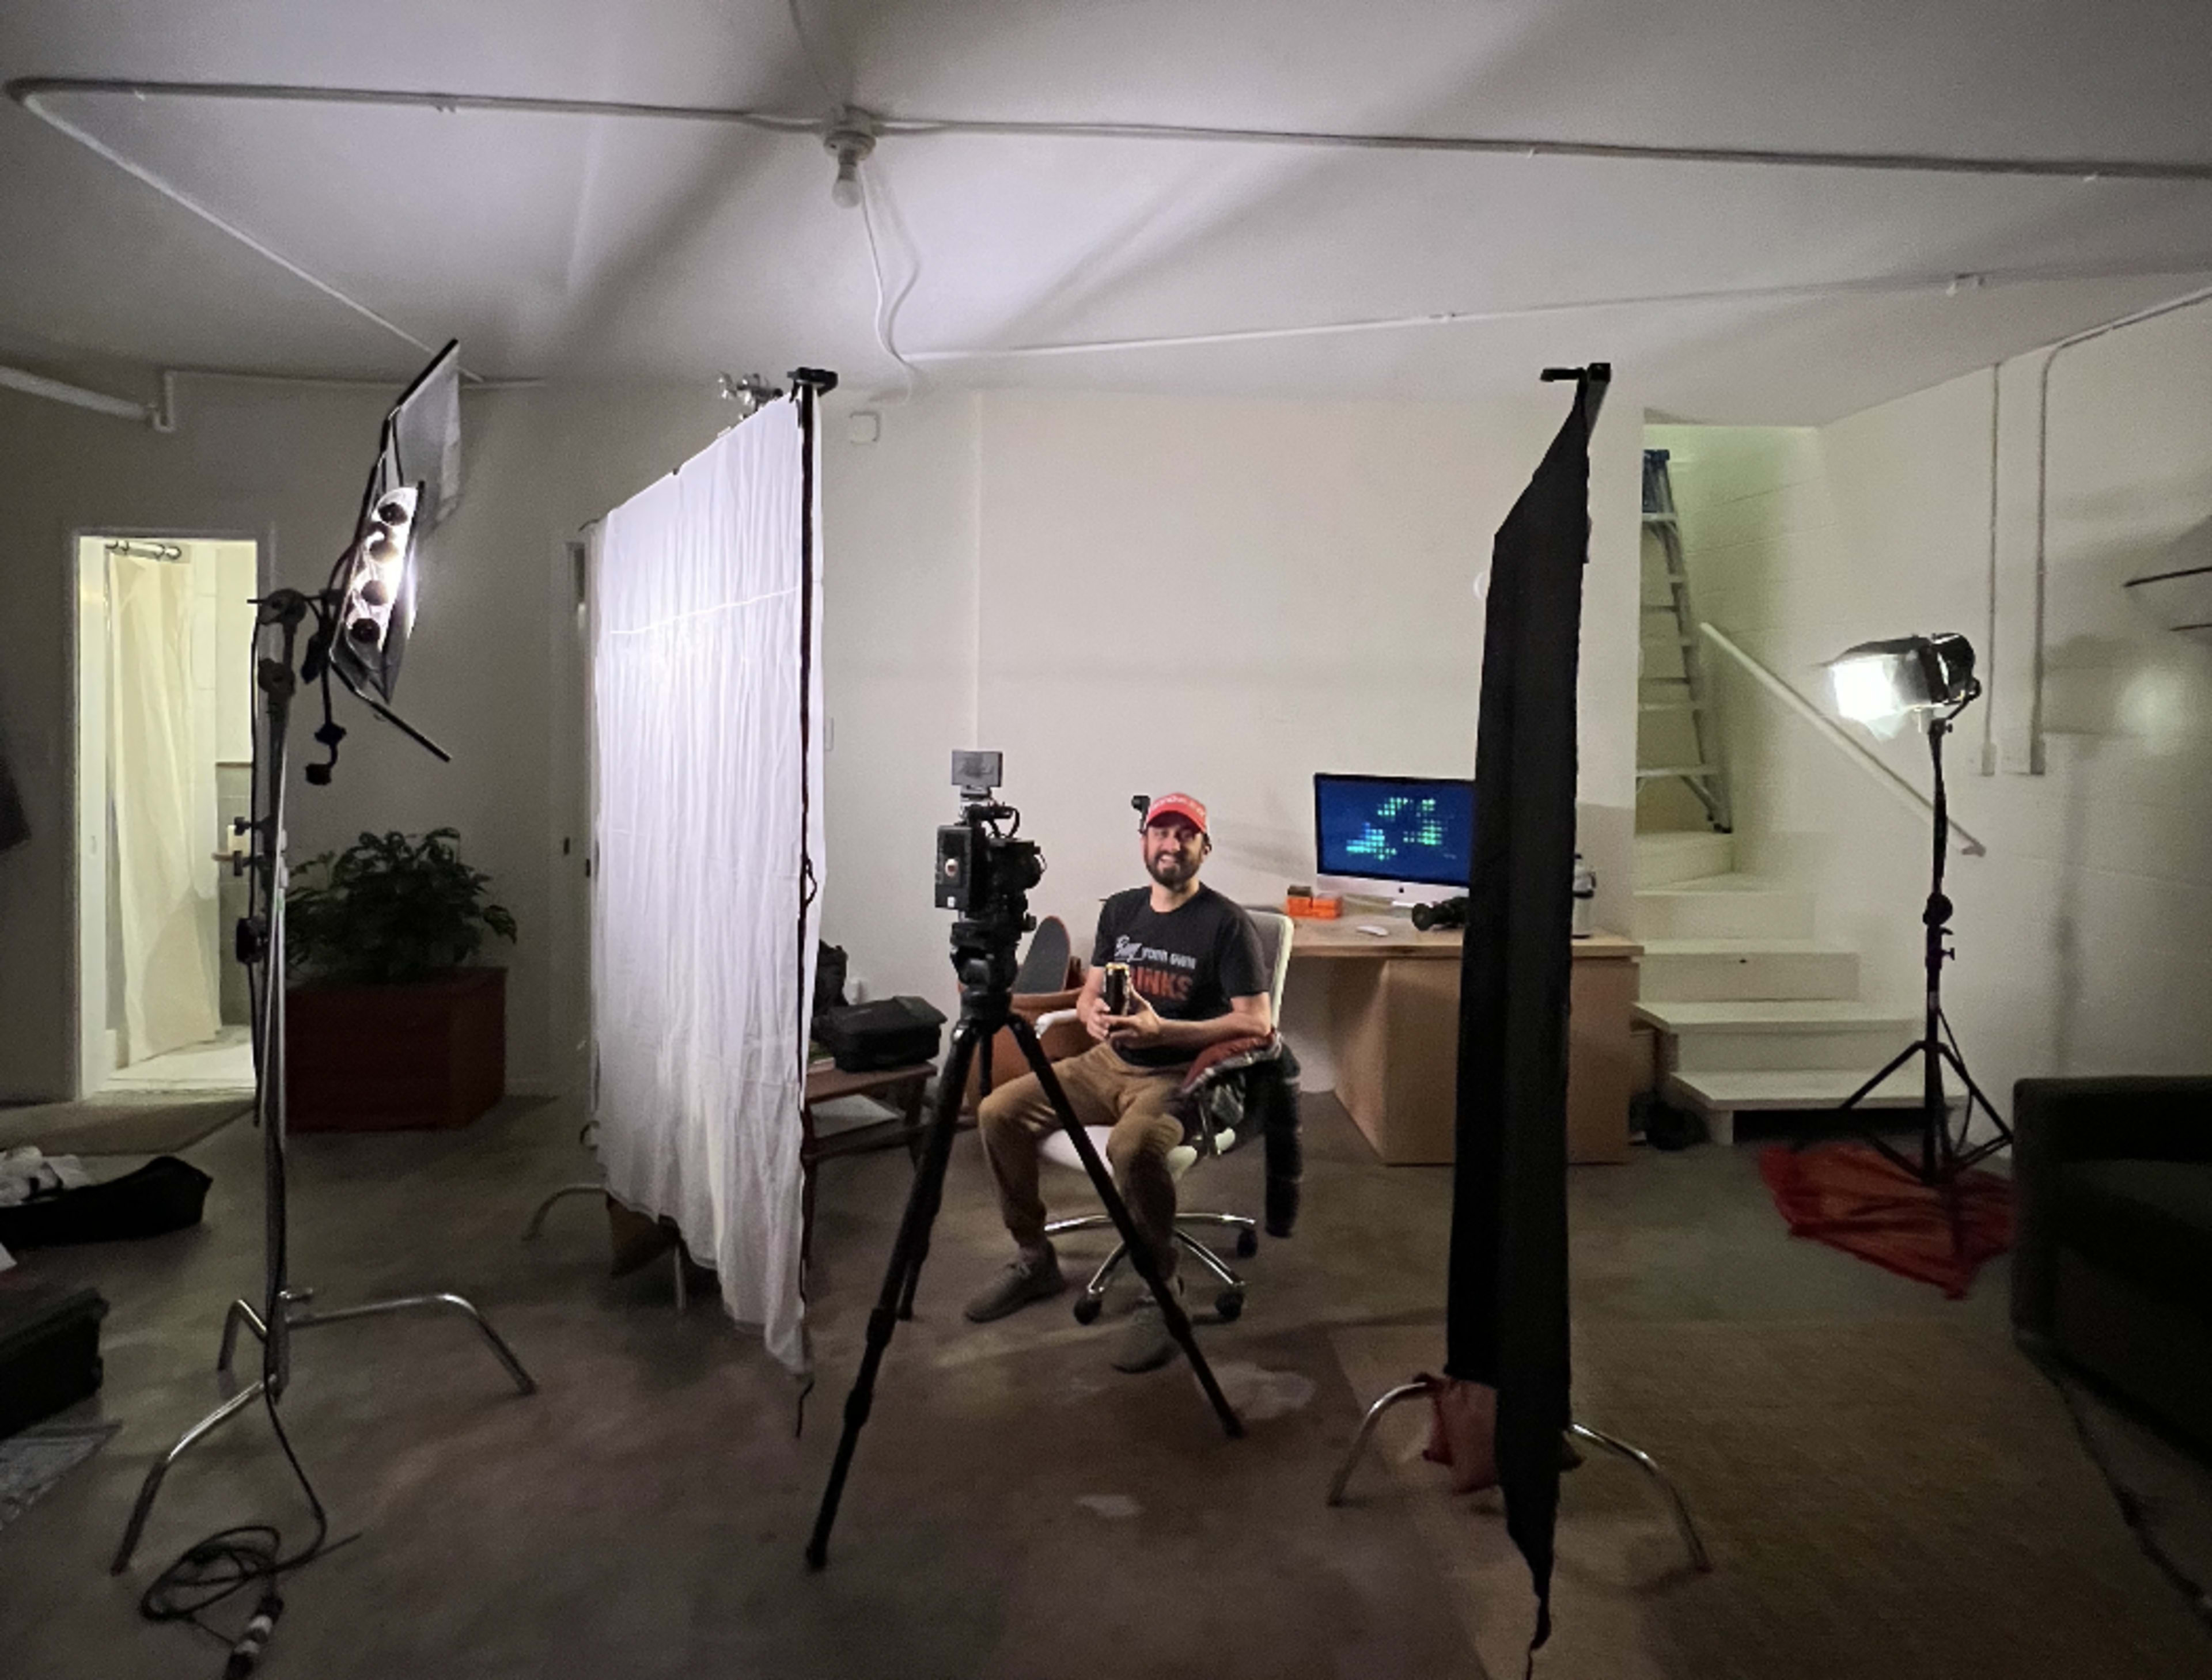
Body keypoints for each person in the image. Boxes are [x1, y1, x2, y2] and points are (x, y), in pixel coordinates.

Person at [964, 792, 1272, 1372]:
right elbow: (1093, 988)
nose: (1171, 844)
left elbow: (1257, 1021)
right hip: (1105, 1063)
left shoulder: (1225, 923)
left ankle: (1161, 1287)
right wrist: (1090, 1014)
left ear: (1205, 847)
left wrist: (1166, 1029)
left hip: (1179, 1073)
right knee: (996, 1110)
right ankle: (1035, 1259)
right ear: (1144, 842)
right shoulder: (1122, 911)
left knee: (1132, 1148)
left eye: (1185, 834)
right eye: (1161, 833)